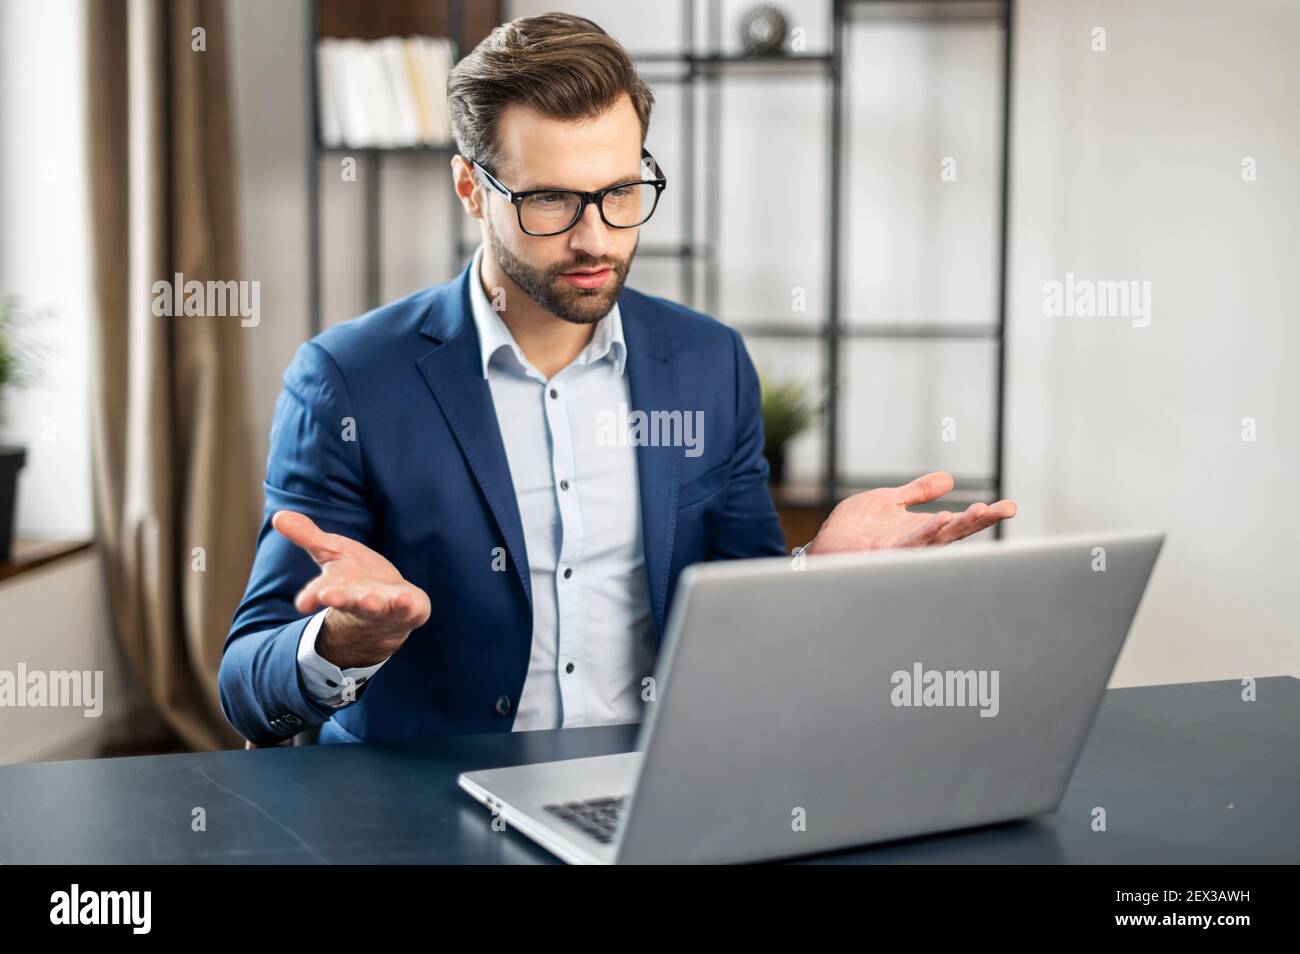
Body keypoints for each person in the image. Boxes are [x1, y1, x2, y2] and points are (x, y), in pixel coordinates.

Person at [218, 13, 1016, 747]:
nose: (595, 236)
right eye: (552, 201)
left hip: (658, 792)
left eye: (622, 192)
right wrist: (341, 646)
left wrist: (812, 574)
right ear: (471, 190)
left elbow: (739, 626)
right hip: (432, 814)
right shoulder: (349, 381)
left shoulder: (709, 364)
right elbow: (248, 689)